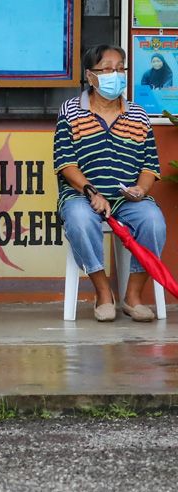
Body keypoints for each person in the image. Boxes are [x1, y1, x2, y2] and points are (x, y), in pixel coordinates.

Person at [54, 44, 165, 322]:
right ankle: (103, 292)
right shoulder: (70, 110)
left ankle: (133, 296)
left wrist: (141, 188)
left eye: (120, 69)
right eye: (107, 69)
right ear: (91, 76)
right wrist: (91, 192)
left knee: (153, 221)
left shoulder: (138, 115)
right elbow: (65, 163)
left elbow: (150, 164)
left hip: (127, 198)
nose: (115, 75)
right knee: (79, 219)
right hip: (82, 194)